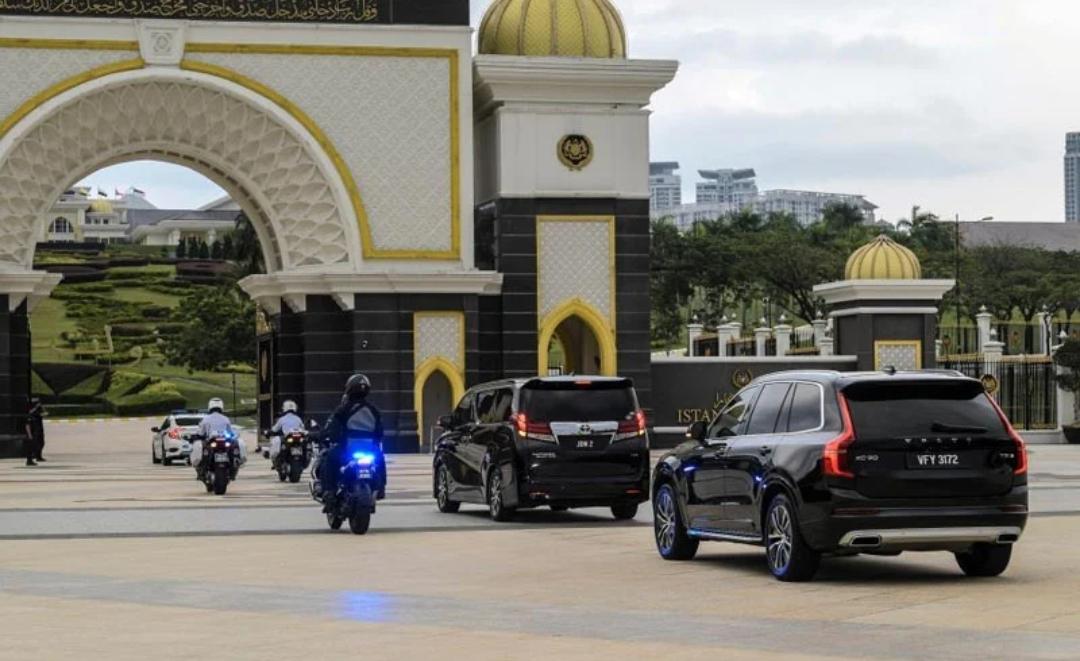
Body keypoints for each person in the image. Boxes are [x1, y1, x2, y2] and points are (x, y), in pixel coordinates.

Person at [317, 374, 386, 509]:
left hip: (347, 450)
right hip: (370, 450)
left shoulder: (344, 409)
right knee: (380, 460)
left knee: (329, 458)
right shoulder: (373, 410)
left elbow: (332, 429)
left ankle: (329, 491)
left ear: (349, 389)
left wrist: (325, 436)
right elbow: (380, 433)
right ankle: (381, 488)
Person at [192, 398, 246, 474]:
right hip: (224, 441)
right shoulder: (225, 418)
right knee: (232, 450)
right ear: (221, 407)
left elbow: (201, 432)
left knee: (204, 451)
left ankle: (203, 468)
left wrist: (197, 436)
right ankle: (233, 467)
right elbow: (230, 431)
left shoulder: (206, 419)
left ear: (210, 407)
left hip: (212, 441)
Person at [24, 398, 45, 467]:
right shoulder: (29, 415)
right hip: (31, 433)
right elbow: (27, 425)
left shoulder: (35, 415)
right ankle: (29, 460)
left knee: (38, 444)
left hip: (35, 432)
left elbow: (43, 413)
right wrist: (29, 435)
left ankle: (35, 457)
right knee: (30, 447)